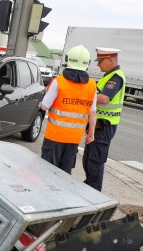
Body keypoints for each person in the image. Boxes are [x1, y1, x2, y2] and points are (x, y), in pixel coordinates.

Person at [39, 45, 97, 175]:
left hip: (54, 136)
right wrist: (91, 133)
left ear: (67, 59)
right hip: (74, 139)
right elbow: (92, 112)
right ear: (87, 63)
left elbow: (44, 106)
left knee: (47, 173)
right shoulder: (92, 85)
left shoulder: (59, 82)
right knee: (64, 175)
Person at [82, 47, 126, 191]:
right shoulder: (108, 75)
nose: (98, 64)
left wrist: (84, 96)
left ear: (110, 60)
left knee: (95, 162)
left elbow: (104, 98)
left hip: (105, 126)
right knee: (88, 160)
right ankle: (89, 187)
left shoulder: (116, 77)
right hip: (98, 126)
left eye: (100, 61)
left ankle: (94, 193)